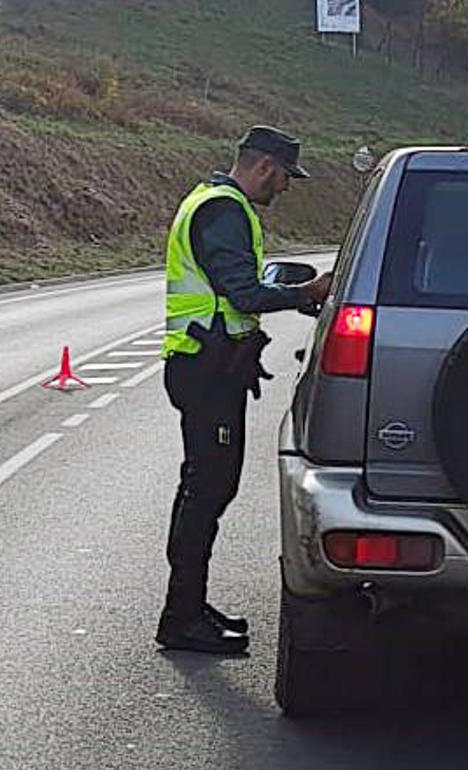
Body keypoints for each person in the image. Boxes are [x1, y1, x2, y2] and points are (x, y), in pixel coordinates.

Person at [156, 126, 333, 654]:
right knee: (208, 489)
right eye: (283, 177)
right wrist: (306, 292)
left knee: (204, 486)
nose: (285, 187)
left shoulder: (208, 201)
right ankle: (180, 617)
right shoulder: (225, 211)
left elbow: (228, 298)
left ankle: (187, 606)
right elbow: (243, 292)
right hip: (204, 371)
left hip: (207, 366)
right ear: (263, 167)